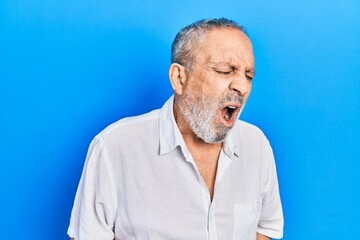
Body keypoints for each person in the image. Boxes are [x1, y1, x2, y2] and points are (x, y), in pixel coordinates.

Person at [68, 18, 283, 240]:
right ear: (179, 78)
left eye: (249, 75)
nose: (242, 86)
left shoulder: (257, 145)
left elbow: (265, 226)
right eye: (225, 70)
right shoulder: (114, 148)